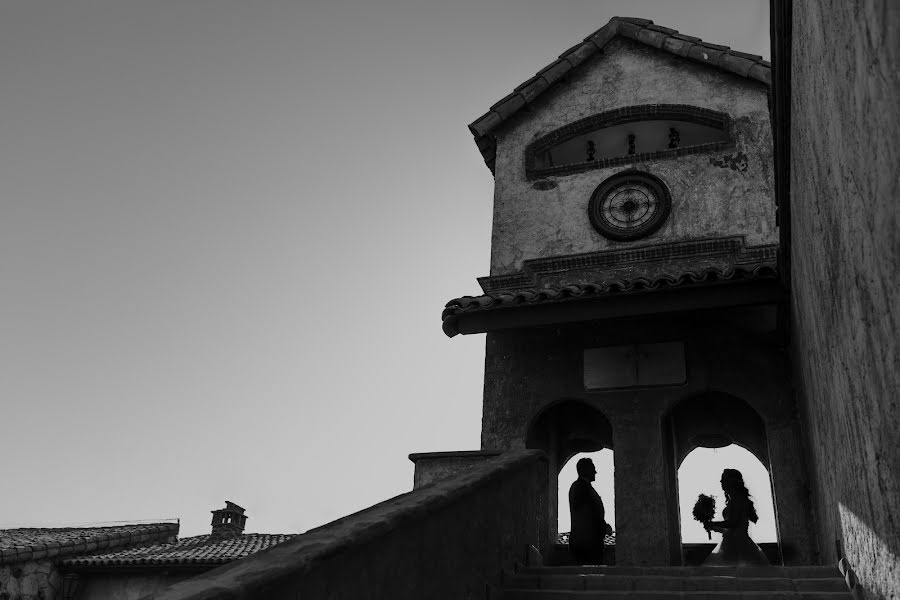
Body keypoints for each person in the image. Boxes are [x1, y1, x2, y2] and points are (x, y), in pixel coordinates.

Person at [703, 468, 769, 566]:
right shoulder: (733, 500)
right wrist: (715, 528)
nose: (721, 482)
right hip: (730, 543)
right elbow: (731, 529)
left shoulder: (739, 500)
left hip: (739, 544)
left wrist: (712, 523)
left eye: (724, 479)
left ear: (731, 482)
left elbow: (733, 523)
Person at [568, 458, 612, 564]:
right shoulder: (583, 489)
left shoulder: (579, 488)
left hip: (585, 544)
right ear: (586, 470)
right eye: (593, 468)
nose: (595, 472)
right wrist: (604, 527)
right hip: (588, 545)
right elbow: (590, 515)